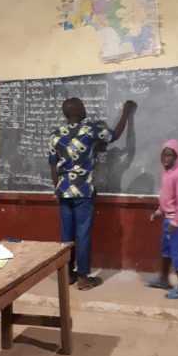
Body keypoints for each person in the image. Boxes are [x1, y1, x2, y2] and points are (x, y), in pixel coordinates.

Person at [48, 98, 136, 290]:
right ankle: (83, 277)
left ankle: (67, 274)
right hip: (83, 190)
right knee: (83, 234)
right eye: (83, 107)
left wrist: (58, 191)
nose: (85, 110)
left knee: (66, 235)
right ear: (78, 112)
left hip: (63, 191)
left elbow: (53, 167)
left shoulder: (55, 135)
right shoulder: (89, 130)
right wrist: (126, 114)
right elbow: (114, 135)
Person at [149, 139, 178, 299]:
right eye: (164, 155)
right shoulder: (165, 172)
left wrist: (176, 221)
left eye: (170, 155)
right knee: (166, 249)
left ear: (177, 157)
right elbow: (166, 197)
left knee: (177, 252)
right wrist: (159, 211)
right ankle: (163, 279)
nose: (166, 159)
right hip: (169, 218)